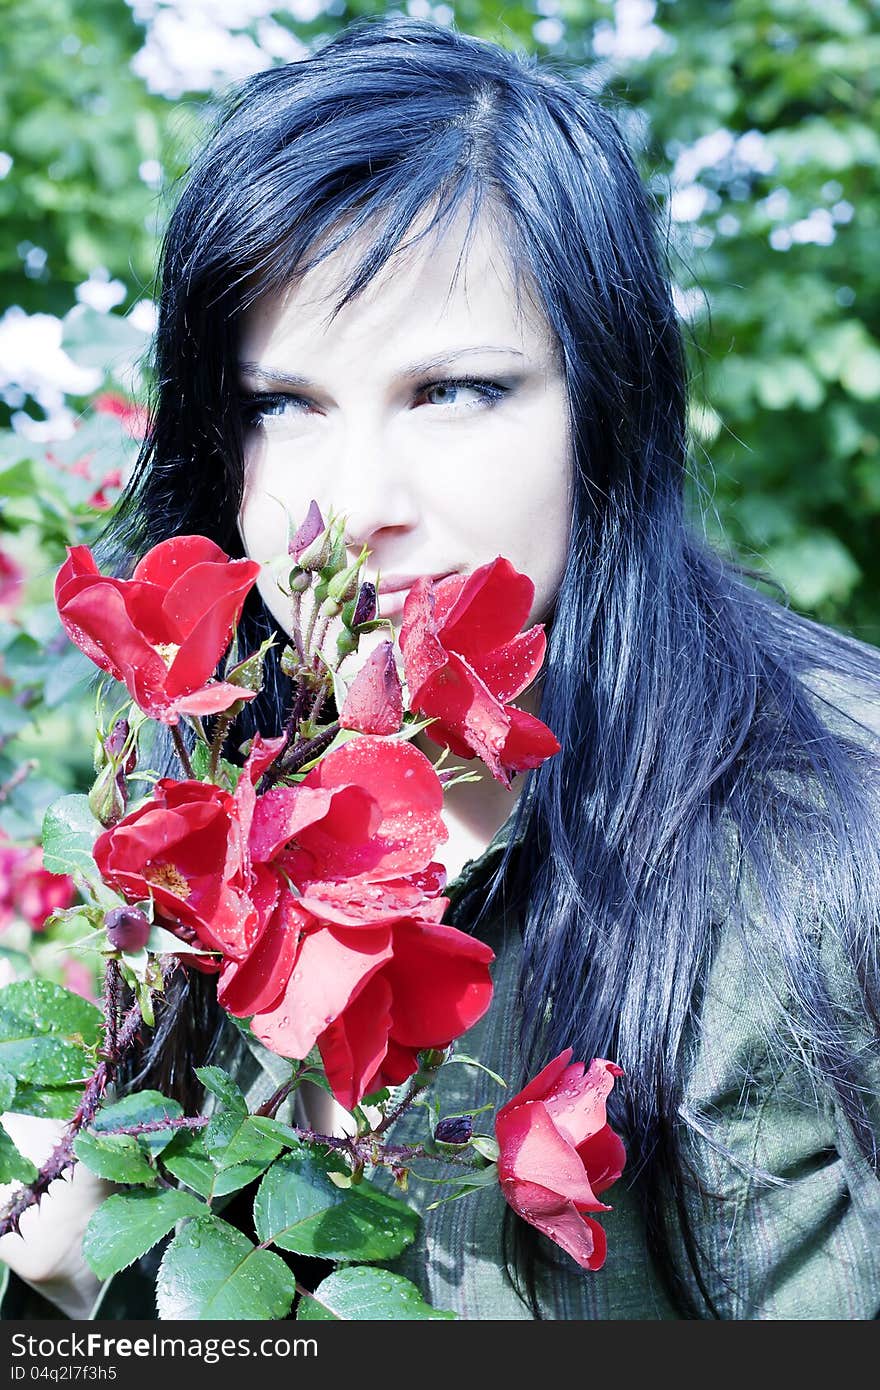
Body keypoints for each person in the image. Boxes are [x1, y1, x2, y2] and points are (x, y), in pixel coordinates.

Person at [4, 15, 880, 1320]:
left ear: (609, 404)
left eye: (454, 390)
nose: (353, 504)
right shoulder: (225, 771)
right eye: (280, 404)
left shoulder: (823, 847)